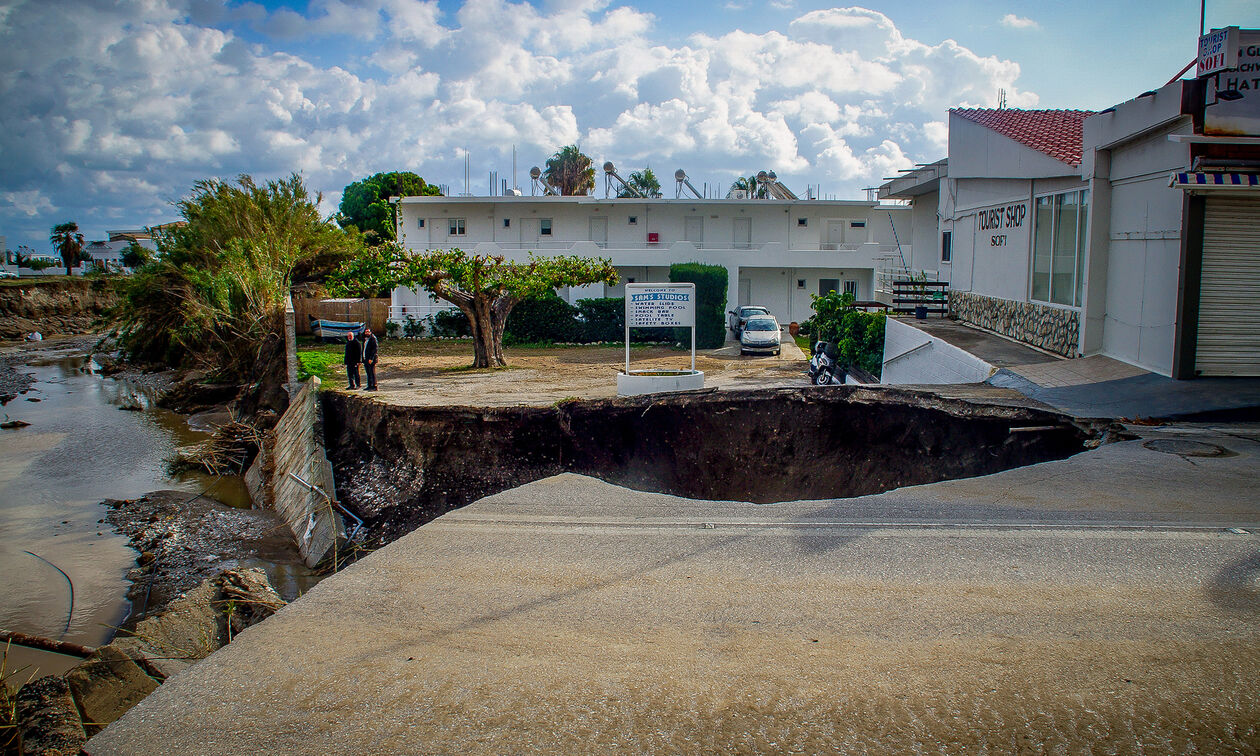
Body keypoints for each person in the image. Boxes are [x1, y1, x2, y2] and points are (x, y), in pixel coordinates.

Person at [362, 326, 378, 391]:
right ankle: (369, 385)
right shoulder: (365, 339)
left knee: (372, 372)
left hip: (371, 359)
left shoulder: (373, 339)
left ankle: (374, 386)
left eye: (368, 332)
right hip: (365, 358)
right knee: (368, 373)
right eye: (366, 332)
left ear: (370, 332)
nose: (367, 333)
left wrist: (371, 358)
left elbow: (375, 349)